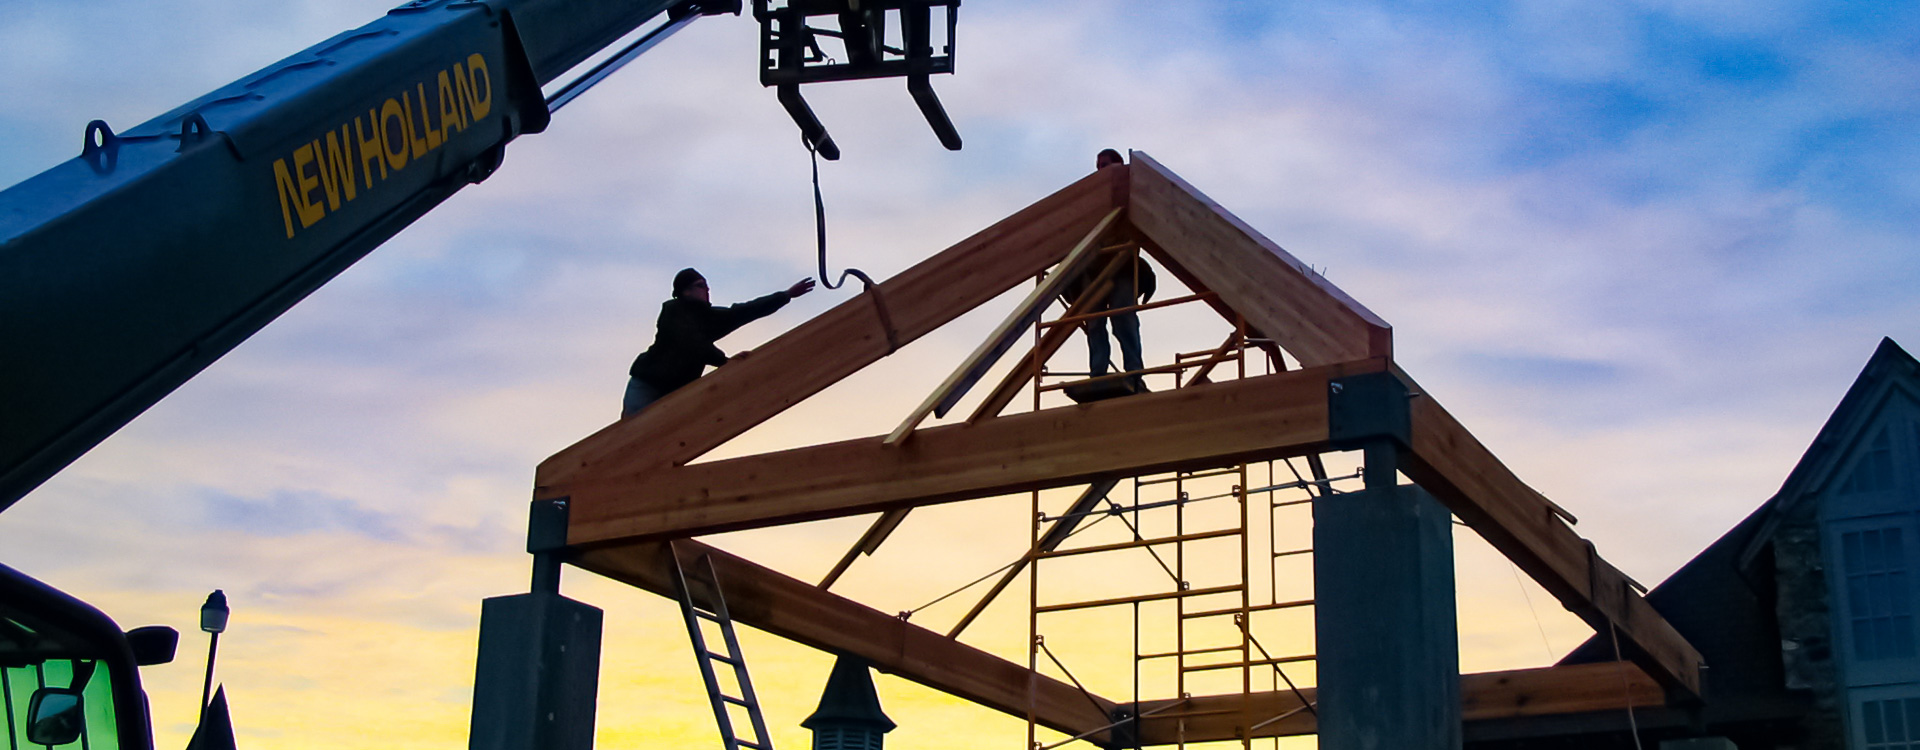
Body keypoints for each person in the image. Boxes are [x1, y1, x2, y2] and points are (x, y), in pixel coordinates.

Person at [623, 268, 815, 418]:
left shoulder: (708, 317)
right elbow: (692, 342)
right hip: (648, 384)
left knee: (662, 440)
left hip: (677, 392)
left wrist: (786, 295)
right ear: (685, 292)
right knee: (629, 435)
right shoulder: (673, 311)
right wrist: (724, 362)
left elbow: (743, 312)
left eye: (707, 285)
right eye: (700, 285)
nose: (707, 289)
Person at [1071, 149, 1155, 391]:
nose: (1100, 171)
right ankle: (1098, 374)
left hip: (1122, 269)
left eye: (1105, 165)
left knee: (1123, 319)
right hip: (1093, 269)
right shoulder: (1092, 199)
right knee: (1095, 324)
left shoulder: (1129, 192)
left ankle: (1134, 373)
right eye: (1098, 166)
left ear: (1119, 165)